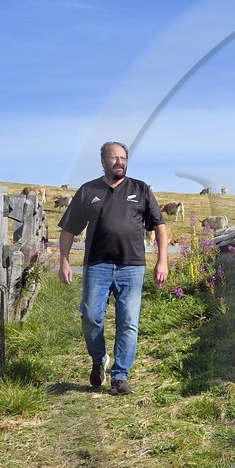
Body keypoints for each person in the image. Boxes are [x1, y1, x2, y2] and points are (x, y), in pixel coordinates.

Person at [57, 141, 169, 395]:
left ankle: (120, 376)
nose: (119, 162)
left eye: (123, 158)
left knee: (128, 321)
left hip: (132, 266)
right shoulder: (88, 191)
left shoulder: (140, 189)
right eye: (114, 158)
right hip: (97, 265)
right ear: (103, 161)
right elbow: (68, 230)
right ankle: (99, 359)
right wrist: (64, 260)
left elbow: (159, 226)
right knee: (90, 316)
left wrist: (162, 260)